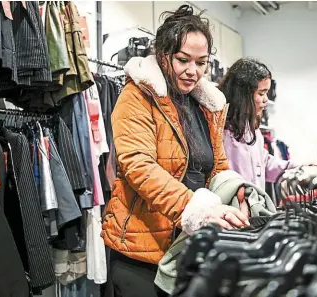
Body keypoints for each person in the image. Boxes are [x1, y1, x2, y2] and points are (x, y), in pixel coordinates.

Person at [101, 5, 250, 297]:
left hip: (189, 251)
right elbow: (138, 166)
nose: (193, 71)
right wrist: (194, 210)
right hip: (141, 254)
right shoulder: (137, 97)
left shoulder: (208, 106)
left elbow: (217, 165)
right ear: (162, 54)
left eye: (201, 62)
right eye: (183, 60)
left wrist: (237, 194)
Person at [219, 58, 298, 191]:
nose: (266, 100)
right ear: (242, 94)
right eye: (261, 93)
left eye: (266, 93)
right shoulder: (222, 132)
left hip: (255, 206)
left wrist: (297, 167)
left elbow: (264, 164)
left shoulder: (252, 129)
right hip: (233, 209)